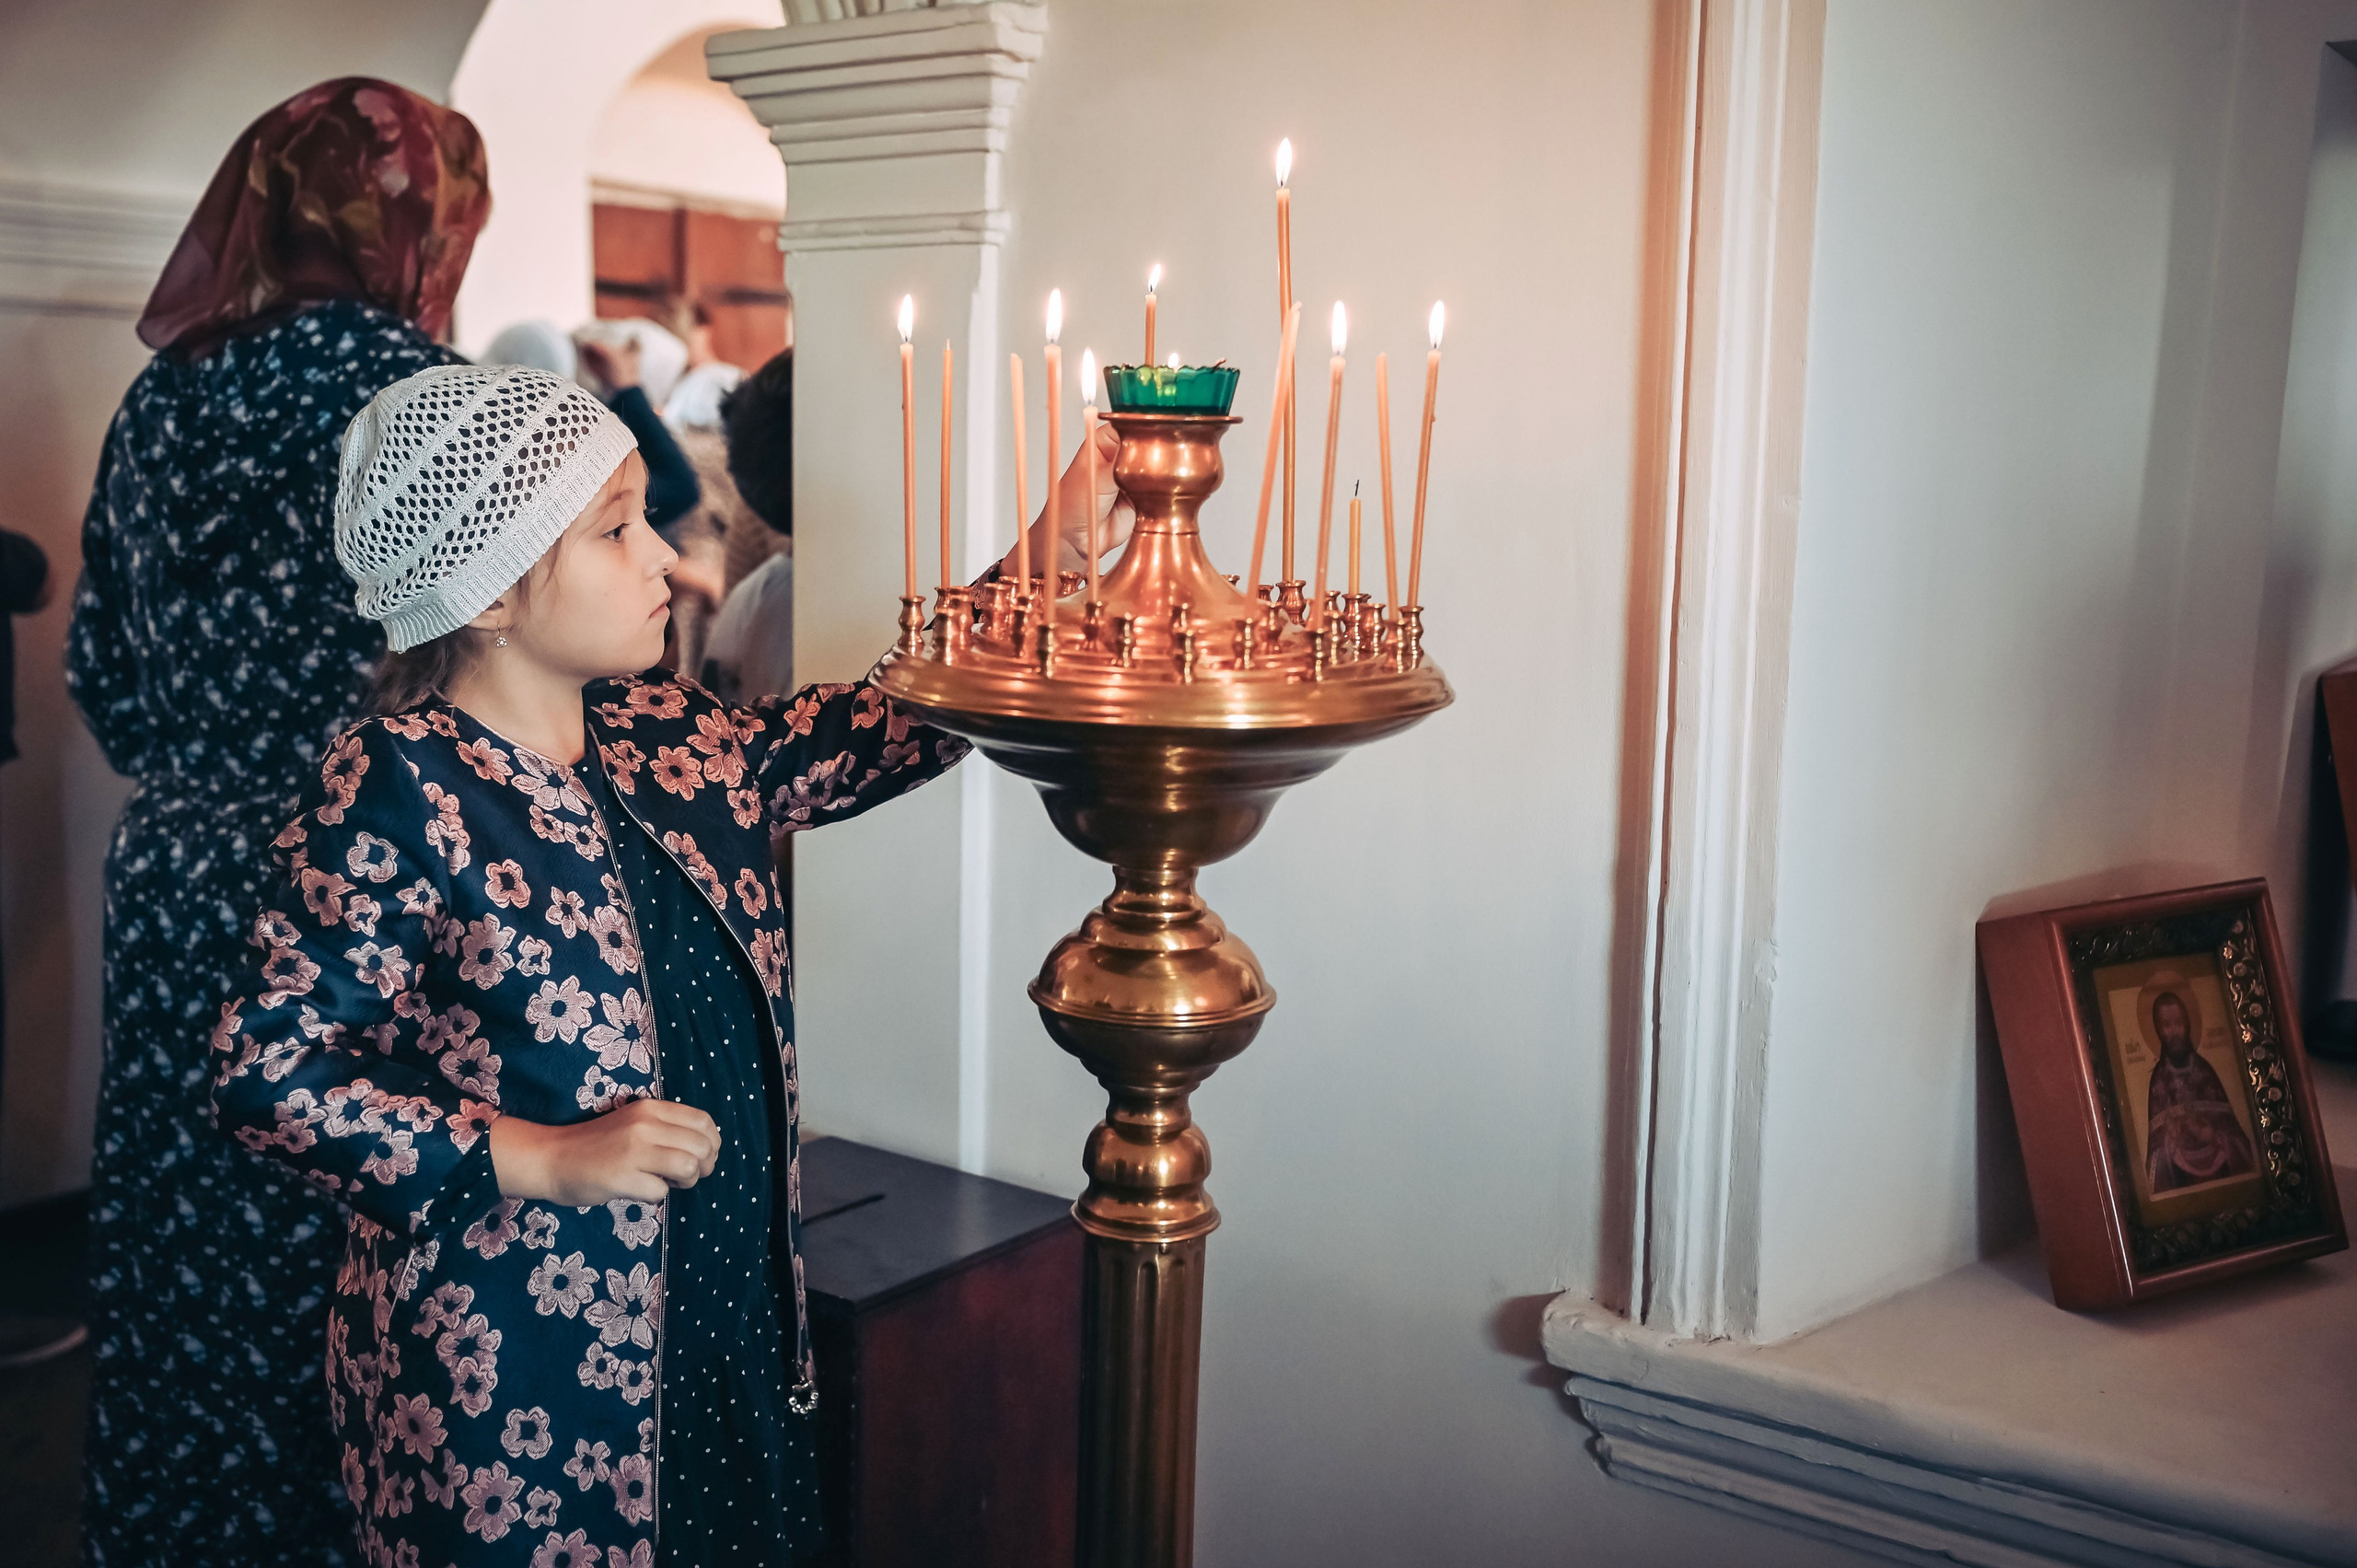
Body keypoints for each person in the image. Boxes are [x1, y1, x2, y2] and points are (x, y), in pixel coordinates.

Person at [206, 362, 1121, 1565]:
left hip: (722, 1324)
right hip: (510, 1380)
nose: (664, 557)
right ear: (487, 589)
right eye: (615, 528)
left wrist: (1041, 559)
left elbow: (879, 728)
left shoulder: (665, 731)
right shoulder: (392, 785)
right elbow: (266, 1068)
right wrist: (534, 1153)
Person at [64, 78, 490, 1568]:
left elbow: (95, 668)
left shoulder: (163, 391)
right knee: (347, 1257)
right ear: (420, 219)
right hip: (366, 878)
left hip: (173, 872)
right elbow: (478, 668)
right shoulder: (427, 398)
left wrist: (204, 768)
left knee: (186, 1256)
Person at [2142, 988, 2258, 1192]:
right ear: (2158, 1030)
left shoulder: (2204, 1070)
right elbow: (2156, 1153)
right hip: (2181, 1174)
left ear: (2187, 1023)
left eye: (2179, 1023)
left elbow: (2234, 1134)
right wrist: (2171, 1136)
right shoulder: (2159, 1079)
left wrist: (2212, 1135)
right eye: (2167, 1025)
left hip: (2219, 1166)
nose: (2174, 1031)